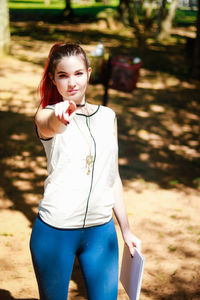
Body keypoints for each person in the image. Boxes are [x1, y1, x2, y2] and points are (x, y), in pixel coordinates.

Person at [30, 42, 140, 300]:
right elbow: (50, 125)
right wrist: (60, 117)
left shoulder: (108, 116)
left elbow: (112, 177)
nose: (72, 83)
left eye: (78, 73)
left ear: (89, 73)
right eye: (63, 75)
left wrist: (126, 230)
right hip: (55, 232)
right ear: (53, 79)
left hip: (101, 232)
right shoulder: (46, 114)